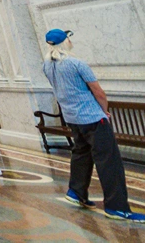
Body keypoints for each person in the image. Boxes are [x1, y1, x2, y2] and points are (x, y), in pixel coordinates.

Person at [42, 29, 145, 222]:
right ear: (65, 42)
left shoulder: (47, 65)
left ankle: (76, 191)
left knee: (81, 153)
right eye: (69, 38)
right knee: (109, 161)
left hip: (72, 117)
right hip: (92, 117)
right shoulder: (76, 63)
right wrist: (104, 111)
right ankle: (117, 208)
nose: (71, 40)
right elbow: (98, 92)